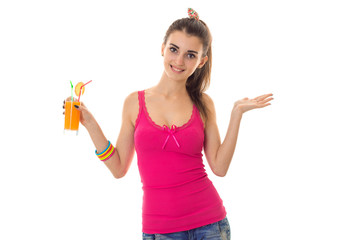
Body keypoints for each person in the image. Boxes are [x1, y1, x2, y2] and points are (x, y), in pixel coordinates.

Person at [63, 8, 273, 240]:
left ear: (202, 61)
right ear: (163, 48)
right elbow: (118, 168)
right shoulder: (135, 102)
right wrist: (90, 123)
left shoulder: (204, 103)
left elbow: (220, 168)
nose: (179, 61)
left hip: (210, 224)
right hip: (161, 229)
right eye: (174, 50)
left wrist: (236, 114)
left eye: (191, 55)